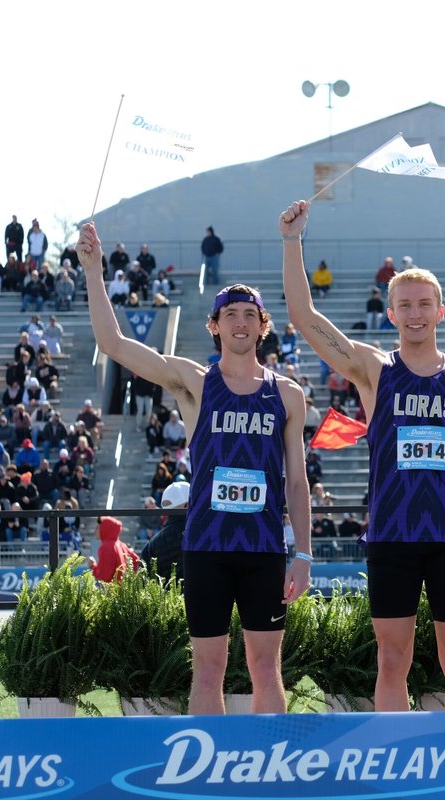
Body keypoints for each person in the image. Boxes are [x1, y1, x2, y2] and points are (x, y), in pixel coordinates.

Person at [281, 195, 445, 713]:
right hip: (392, 536)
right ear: (390, 313)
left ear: (440, 311)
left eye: (424, 304)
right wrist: (293, 241)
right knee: (391, 658)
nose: (414, 313)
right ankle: (396, 768)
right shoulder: (375, 371)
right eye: (404, 304)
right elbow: (302, 314)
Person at [78, 219, 310, 716]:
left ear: (263, 325)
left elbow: (296, 480)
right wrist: (95, 272)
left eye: (251, 314)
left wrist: (304, 554)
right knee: (208, 670)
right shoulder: (195, 383)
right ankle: (213, 779)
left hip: (264, 547)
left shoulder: (288, 394)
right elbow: (114, 344)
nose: (241, 322)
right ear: (216, 325)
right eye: (231, 314)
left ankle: (269, 770)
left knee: (267, 669)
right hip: (206, 546)